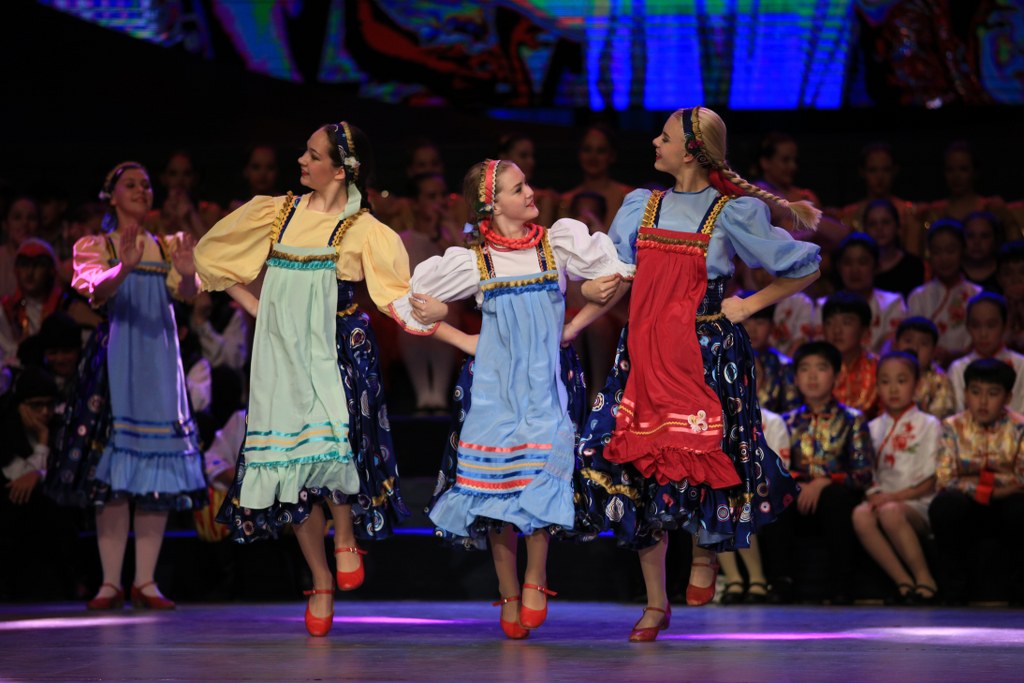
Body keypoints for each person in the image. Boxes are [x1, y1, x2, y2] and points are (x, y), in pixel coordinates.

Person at [574, 106, 819, 640]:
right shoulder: (640, 205)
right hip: (644, 353)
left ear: (690, 151)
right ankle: (655, 602)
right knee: (639, 468)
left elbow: (803, 267)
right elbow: (613, 275)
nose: (653, 143)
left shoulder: (731, 213)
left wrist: (748, 305)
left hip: (705, 351)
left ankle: (705, 552)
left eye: (663, 137)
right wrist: (585, 304)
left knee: (703, 457)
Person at [390, 158, 634, 639]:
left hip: (545, 384)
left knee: (541, 476)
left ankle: (536, 576)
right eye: (518, 188)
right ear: (494, 203)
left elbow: (617, 275)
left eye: (526, 184)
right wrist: (461, 336)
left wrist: (575, 324)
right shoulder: (474, 260)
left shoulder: (557, 244)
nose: (529, 192)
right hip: (495, 387)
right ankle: (507, 589)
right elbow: (405, 305)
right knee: (497, 490)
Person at [194, 122, 415, 637]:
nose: (301, 161)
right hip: (282, 353)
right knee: (289, 464)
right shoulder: (278, 213)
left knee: (329, 446)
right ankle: (319, 578)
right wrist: (260, 308)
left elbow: (396, 296)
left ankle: (345, 537)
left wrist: (438, 318)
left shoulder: (361, 228)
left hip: (335, 347)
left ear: (340, 171)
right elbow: (213, 258)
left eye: (313, 156)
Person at [44, 161, 208, 611]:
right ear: (111, 196)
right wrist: (124, 268)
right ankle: (110, 582)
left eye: (146, 184)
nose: (141, 190)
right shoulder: (99, 245)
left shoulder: (167, 244)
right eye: (130, 184)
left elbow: (187, 294)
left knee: (156, 465)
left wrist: (187, 273)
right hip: (118, 359)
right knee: (114, 470)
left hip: (160, 360)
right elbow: (94, 291)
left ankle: (146, 581)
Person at [761, 341, 875, 604]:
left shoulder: (852, 419)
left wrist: (824, 482)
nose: (812, 376)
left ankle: (841, 587)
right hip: (797, 494)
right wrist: (799, 483)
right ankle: (781, 582)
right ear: (795, 377)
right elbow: (776, 466)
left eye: (821, 368)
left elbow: (863, 474)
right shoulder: (786, 421)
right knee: (777, 496)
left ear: (836, 376)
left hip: (836, 496)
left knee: (835, 498)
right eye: (805, 369)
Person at [930, 358, 1024, 604]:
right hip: (968, 505)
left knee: (1020, 507)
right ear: (965, 394)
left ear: (1007, 397)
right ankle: (954, 592)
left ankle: (1018, 592)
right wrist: (995, 488)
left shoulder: (1019, 428)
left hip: (1007, 506)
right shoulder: (952, 427)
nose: (982, 402)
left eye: (992, 394)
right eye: (975, 392)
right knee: (945, 505)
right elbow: (944, 479)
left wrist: (972, 476)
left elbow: (1022, 479)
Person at [854, 351, 941, 605]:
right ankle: (903, 582)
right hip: (883, 501)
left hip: (918, 502)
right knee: (860, 515)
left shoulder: (929, 424)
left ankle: (925, 579)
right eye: (885, 381)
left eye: (901, 381)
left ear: (917, 385)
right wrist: (875, 495)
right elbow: (865, 473)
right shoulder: (871, 427)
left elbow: (931, 479)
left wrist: (892, 497)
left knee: (891, 512)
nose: (893, 389)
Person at [815, 232, 906, 354]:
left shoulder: (892, 303)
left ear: (876, 266)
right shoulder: (823, 305)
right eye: (848, 263)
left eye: (862, 262)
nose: (855, 270)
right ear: (839, 267)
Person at [907, 219, 982, 366]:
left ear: (963, 251)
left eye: (950, 251)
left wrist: (955, 355)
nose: (944, 258)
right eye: (937, 252)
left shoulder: (977, 295)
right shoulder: (918, 296)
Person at [836, 142, 925, 255]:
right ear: (862, 172)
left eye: (886, 169)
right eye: (873, 170)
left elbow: (913, 258)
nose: (880, 177)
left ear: (895, 170)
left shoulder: (909, 213)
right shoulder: (849, 215)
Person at [947, 292, 1024, 413]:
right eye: (976, 325)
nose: (983, 334)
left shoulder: (1021, 365)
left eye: (991, 325)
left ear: (1005, 325)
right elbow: (958, 415)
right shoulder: (958, 368)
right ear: (968, 327)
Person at [559, 124, 633, 228]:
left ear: (612, 155)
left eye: (601, 150)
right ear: (579, 154)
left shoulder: (629, 197)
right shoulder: (566, 201)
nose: (593, 157)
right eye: (587, 149)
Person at [822, 291, 879, 417]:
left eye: (846, 323)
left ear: (864, 330)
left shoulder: (879, 368)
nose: (837, 330)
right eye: (830, 322)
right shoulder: (814, 368)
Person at [894, 317, 956, 419]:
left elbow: (939, 418)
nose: (915, 348)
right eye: (908, 341)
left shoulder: (939, 381)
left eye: (923, 344)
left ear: (933, 351)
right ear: (896, 345)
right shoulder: (886, 373)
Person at [862, 198, 925, 298]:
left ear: (897, 226)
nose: (879, 228)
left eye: (885, 222)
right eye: (873, 224)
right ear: (865, 229)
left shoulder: (913, 266)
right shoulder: (861, 268)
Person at [962, 211, 1003, 292]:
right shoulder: (952, 273)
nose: (977, 242)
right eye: (970, 236)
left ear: (995, 239)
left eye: (984, 236)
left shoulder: (1005, 273)